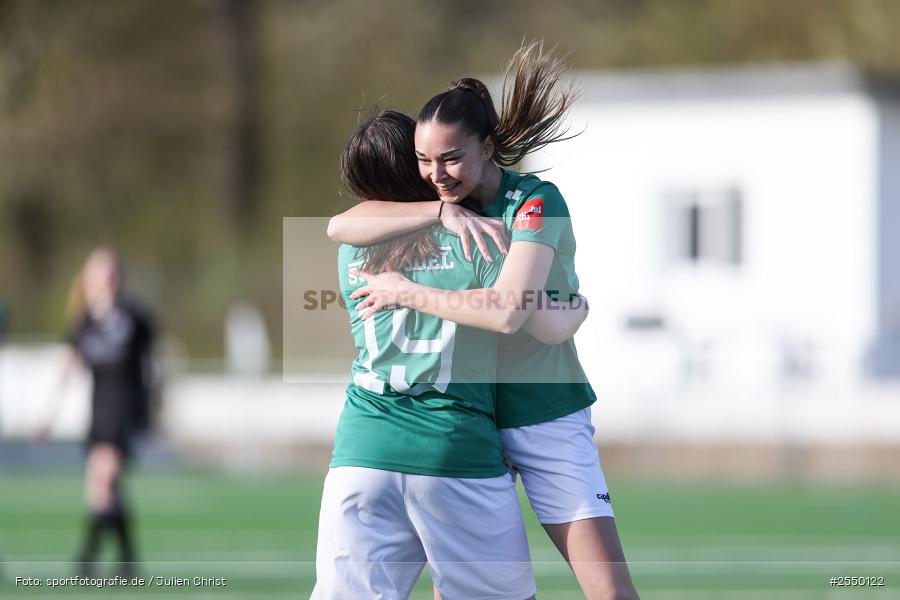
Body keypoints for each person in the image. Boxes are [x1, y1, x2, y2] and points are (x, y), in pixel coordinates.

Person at [330, 42, 640, 600]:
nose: (436, 175)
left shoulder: (534, 201)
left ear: (486, 147)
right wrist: (442, 210)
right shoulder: (442, 208)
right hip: (466, 419)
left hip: (540, 410)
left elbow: (527, 321)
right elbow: (337, 226)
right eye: (424, 161)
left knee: (609, 591)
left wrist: (406, 291)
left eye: (449, 159)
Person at [37, 248, 156, 576]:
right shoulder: (85, 321)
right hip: (98, 414)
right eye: (101, 274)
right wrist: (48, 415)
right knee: (108, 489)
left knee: (102, 482)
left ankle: (86, 558)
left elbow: (152, 366)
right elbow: (69, 367)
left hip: (124, 413)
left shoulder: (135, 318)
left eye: (112, 273)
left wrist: (152, 410)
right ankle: (128, 559)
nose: (108, 280)